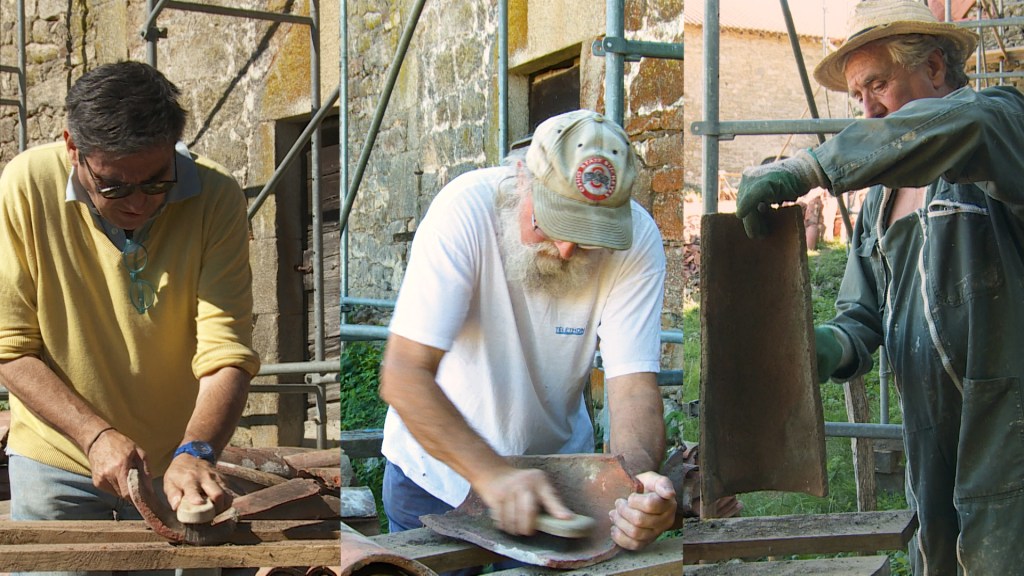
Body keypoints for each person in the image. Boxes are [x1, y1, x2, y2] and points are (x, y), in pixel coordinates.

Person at [735, 1, 1024, 573]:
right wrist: (825, 345)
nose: (867, 110)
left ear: (934, 68)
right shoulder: (880, 200)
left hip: (1008, 423)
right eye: (856, 96)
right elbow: (863, 310)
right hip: (929, 430)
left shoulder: (1000, 123)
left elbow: (966, 125)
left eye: (878, 84)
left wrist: (812, 168)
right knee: (939, 553)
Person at [378, 110, 678, 563]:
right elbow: (404, 374)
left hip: (560, 486)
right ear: (522, 180)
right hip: (434, 477)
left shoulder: (635, 240)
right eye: (551, 224)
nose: (566, 249)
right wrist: (493, 475)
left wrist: (633, 488)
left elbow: (633, 389)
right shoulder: (463, 210)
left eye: (589, 237)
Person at [0, 61, 260, 556]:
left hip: (174, 470)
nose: (138, 203)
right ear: (72, 148)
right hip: (57, 465)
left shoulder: (216, 195)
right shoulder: (25, 185)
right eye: (114, 186)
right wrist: (93, 435)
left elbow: (226, 352)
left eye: (157, 182)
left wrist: (196, 450)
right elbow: (10, 346)